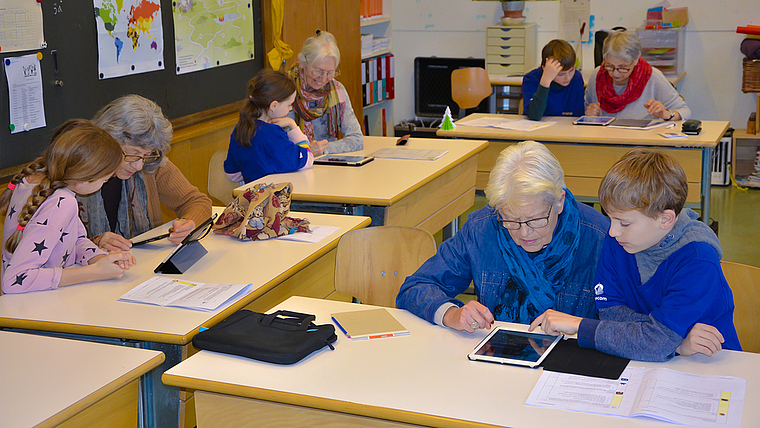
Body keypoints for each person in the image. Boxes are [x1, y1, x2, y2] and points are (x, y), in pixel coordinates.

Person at [530, 150, 742, 361]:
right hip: (644, 360)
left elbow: (655, 343)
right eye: (610, 218)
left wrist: (580, 326)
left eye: (624, 223)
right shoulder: (619, 241)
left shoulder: (697, 261)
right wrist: (673, 342)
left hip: (708, 364)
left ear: (666, 219)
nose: (612, 231)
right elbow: (611, 314)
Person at [396, 141, 610, 332]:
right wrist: (452, 314)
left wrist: (583, 326)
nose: (524, 233)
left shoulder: (601, 237)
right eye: (511, 221)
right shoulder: (482, 228)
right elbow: (416, 287)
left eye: (535, 220)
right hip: (497, 359)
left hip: (570, 366)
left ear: (559, 202)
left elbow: (629, 323)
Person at [1, 120, 136, 294]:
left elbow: (76, 240)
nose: (104, 184)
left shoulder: (35, 180)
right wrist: (94, 272)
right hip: (32, 307)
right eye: (104, 180)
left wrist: (100, 259)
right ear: (85, 178)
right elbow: (14, 281)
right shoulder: (63, 201)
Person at [77, 95, 212, 251]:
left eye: (146, 156)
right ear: (107, 140)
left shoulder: (152, 164)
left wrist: (188, 224)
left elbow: (197, 201)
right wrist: (94, 242)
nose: (139, 166)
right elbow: (52, 247)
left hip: (138, 263)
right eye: (133, 154)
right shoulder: (74, 174)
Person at [224, 69, 313, 184]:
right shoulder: (273, 134)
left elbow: (233, 174)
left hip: (252, 197)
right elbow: (308, 159)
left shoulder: (240, 128)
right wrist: (293, 126)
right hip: (276, 198)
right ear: (274, 106)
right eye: (289, 104)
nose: (291, 108)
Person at [585, 30, 691, 121]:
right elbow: (586, 108)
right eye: (609, 66)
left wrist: (666, 114)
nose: (615, 73)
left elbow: (685, 111)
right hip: (606, 140)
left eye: (623, 67)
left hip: (640, 142)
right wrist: (589, 114)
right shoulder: (598, 75)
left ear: (636, 59)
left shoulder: (652, 77)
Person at [287, 30, 363, 156]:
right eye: (318, 71)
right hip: (293, 165)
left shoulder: (337, 91)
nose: (323, 79)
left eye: (330, 73)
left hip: (326, 163)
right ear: (303, 63)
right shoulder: (285, 91)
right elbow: (277, 145)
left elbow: (356, 139)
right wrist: (305, 150)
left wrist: (323, 149)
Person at [522, 39, 585, 121]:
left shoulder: (577, 78)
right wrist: (545, 81)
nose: (568, 77)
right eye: (560, 74)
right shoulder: (531, 79)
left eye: (571, 70)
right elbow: (534, 115)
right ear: (545, 69)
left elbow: (578, 116)